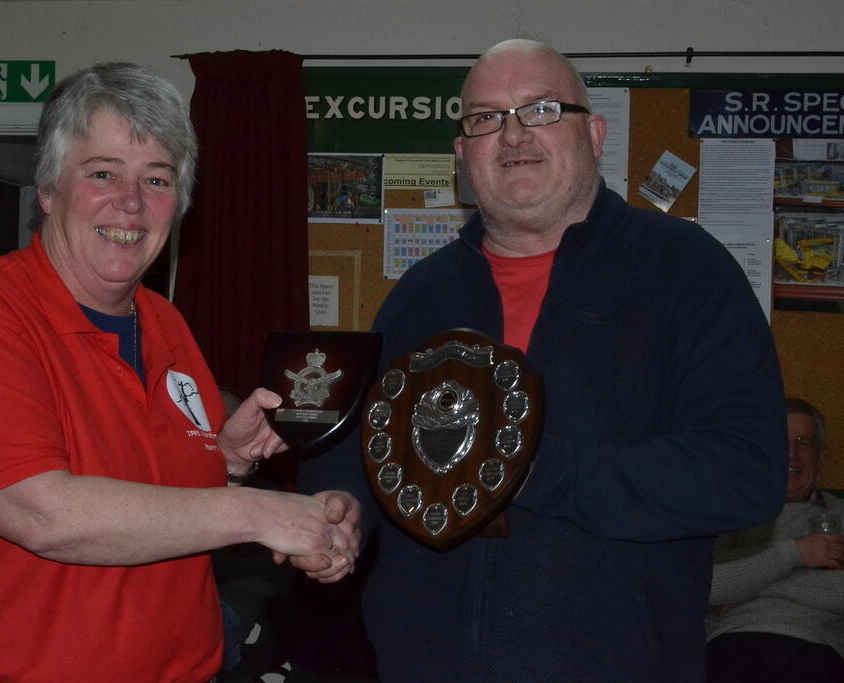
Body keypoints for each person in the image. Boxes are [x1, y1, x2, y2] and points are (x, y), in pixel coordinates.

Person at [298, 39, 787, 682]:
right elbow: (371, 442)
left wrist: (526, 466)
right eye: (485, 118)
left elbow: (746, 472)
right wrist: (340, 513)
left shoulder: (685, 270)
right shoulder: (420, 295)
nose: (513, 136)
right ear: (461, 155)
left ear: (595, 134)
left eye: (541, 109)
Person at [0, 62, 360, 683]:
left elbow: (153, 493)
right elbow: (43, 514)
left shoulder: (164, 323)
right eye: (103, 173)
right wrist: (261, 514)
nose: (132, 203)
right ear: (48, 190)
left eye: (158, 179)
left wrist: (236, 469)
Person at [707, 397, 844, 682]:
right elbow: (706, 587)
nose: (791, 454)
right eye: (780, 442)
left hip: (816, 647)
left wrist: (746, 585)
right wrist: (796, 554)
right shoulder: (731, 515)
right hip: (733, 643)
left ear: (820, 456)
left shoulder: (840, 514)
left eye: (803, 443)